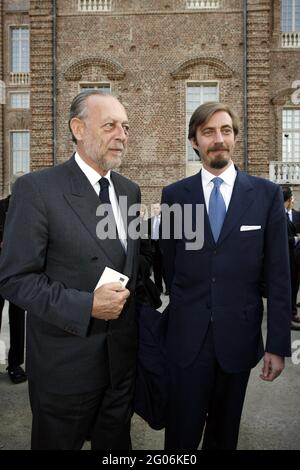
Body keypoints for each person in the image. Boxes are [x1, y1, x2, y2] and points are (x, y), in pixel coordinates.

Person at [0, 90, 141, 450]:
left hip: (120, 366)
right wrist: (86, 306)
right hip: (65, 370)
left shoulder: (129, 192)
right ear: (78, 128)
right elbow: (16, 280)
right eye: (110, 125)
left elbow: (129, 262)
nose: (122, 135)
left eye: (125, 127)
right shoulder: (36, 189)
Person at [160, 101, 291, 450]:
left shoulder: (266, 196)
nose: (218, 139)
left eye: (226, 130)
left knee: (224, 437)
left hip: (239, 339)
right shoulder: (174, 196)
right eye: (208, 132)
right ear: (194, 141)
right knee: (180, 438)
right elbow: (171, 267)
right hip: (187, 341)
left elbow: (279, 277)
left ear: (235, 138)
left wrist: (277, 345)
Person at [0, 195, 27, 384]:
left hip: (19, 273)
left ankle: (15, 364)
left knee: (17, 320)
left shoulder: (29, 209)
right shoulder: (2, 207)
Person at [281, 186, 300, 330]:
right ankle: (286, 319)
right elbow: (280, 239)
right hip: (283, 259)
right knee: (284, 290)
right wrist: (295, 239)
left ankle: (290, 314)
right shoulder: (280, 216)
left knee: (292, 287)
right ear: (288, 200)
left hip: (292, 258)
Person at [148, 203, 168, 295]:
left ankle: (168, 288)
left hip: (163, 246)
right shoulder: (150, 221)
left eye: (157, 208)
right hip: (154, 246)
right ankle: (158, 289)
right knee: (156, 269)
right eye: (154, 208)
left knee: (165, 269)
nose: (155, 210)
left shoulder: (166, 221)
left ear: (160, 209)